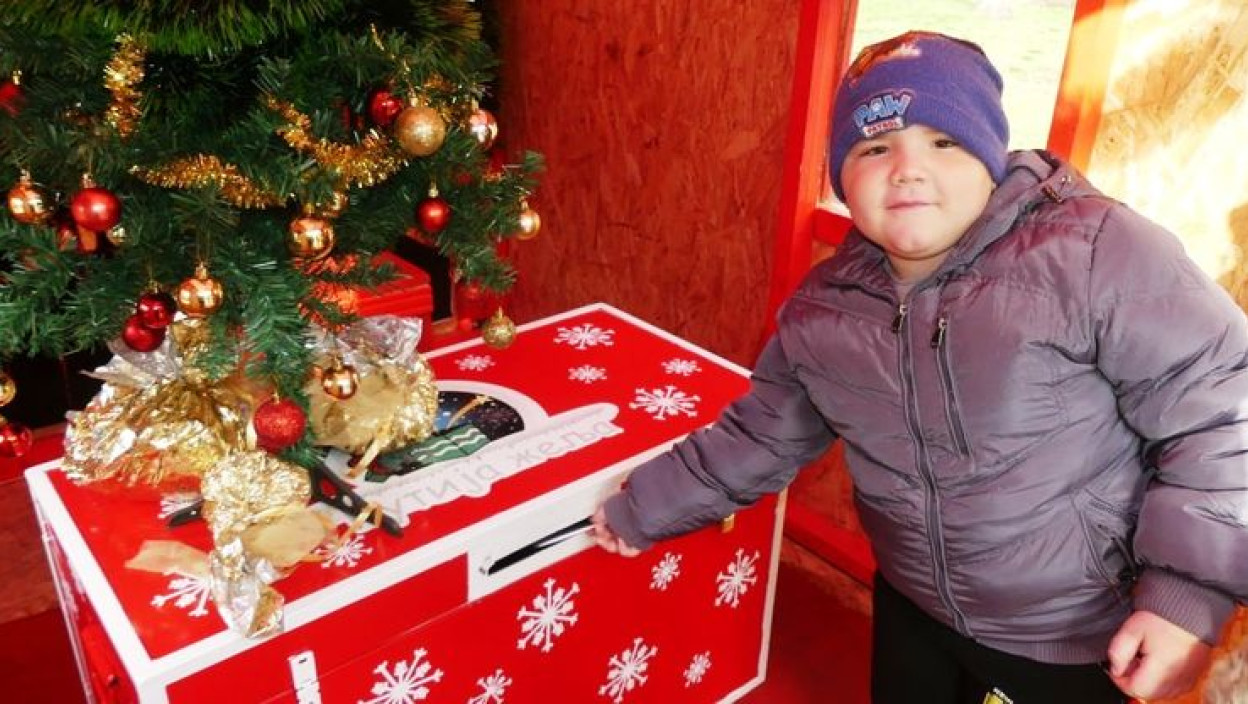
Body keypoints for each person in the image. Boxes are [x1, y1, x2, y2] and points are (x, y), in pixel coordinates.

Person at [592, 30, 1248, 704]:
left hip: (1074, 633)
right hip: (913, 603)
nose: (907, 168)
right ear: (843, 178)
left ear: (990, 158)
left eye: (944, 142)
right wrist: (644, 506)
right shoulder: (823, 310)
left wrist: (1187, 597)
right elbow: (760, 435)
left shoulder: (1095, 253)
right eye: (875, 148)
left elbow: (1223, 413)